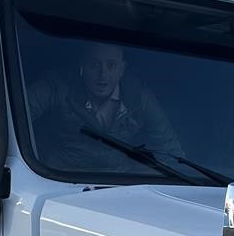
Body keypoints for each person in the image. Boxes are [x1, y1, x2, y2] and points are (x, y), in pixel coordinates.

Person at [37, 41, 184, 166]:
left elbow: (169, 151)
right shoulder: (58, 87)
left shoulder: (139, 98)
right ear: (82, 66)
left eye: (111, 65)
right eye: (94, 64)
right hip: (57, 176)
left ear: (122, 69)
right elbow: (19, 116)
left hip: (119, 182)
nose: (103, 74)